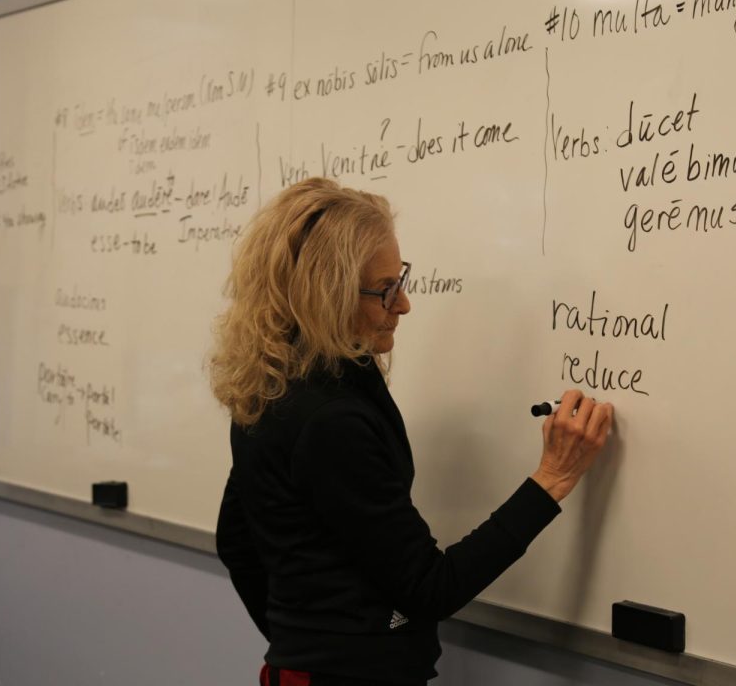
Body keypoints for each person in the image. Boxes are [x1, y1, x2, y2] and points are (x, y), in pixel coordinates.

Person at [211, 178, 615, 686]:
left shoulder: (276, 384)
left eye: (399, 280)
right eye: (385, 290)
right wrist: (553, 476)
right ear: (327, 295)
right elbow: (430, 588)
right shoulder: (330, 419)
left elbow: (236, 540)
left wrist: (306, 641)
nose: (402, 305)